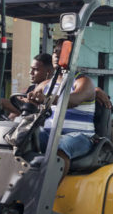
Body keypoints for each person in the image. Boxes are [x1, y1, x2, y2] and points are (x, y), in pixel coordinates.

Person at [25, 39, 96, 176]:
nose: (57, 55)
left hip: (79, 137)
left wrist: (46, 99)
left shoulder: (83, 82)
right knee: (22, 137)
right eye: (54, 52)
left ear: (74, 56)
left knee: (58, 147)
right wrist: (28, 101)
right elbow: (29, 101)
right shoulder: (45, 84)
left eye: (62, 52)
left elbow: (72, 100)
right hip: (49, 134)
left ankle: (48, 194)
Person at [0, 53, 52, 118]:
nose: (30, 72)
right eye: (31, 69)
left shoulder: (51, 92)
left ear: (48, 72)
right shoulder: (28, 90)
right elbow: (17, 112)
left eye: (35, 69)